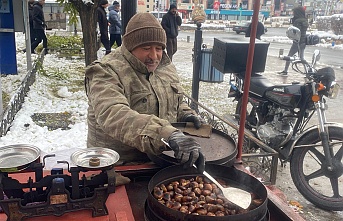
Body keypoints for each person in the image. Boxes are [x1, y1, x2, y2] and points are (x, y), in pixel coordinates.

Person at [85, 12, 205, 172]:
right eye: (146, 48)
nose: (154, 56)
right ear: (130, 46)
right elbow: (113, 114)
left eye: (159, 48)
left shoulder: (165, 67)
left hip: (160, 160)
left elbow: (174, 99)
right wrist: (165, 133)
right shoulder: (105, 71)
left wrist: (185, 114)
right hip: (117, 165)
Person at [278, 6, 309, 76]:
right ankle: (307, 72)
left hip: (297, 42)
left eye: (294, 12)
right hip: (303, 41)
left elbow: (295, 31)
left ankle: (285, 71)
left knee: (289, 56)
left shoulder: (297, 21)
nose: (293, 14)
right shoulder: (305, 20)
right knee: (301, 58)